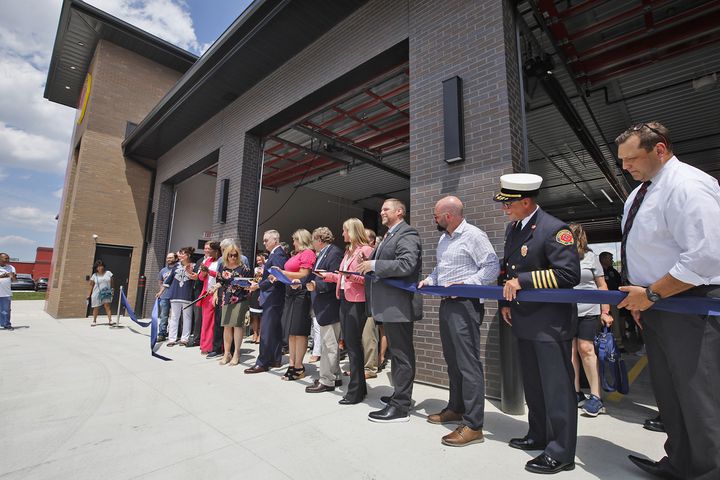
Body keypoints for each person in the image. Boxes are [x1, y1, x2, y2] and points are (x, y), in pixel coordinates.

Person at [614, 122, 720, 480]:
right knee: (670, 393)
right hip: (656, 305)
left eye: (632, 158)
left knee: (699, 394)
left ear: (660, 149)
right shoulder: (640, 192)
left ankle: (709, 470)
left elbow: (705, 256)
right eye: (622, 160)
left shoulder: (688, 185)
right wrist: (644, 300)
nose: (625, 166)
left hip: (687, 302)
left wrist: (653, 293)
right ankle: (681, 462)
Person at [496, 173, 580, 474]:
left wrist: (523, 281)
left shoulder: (555, 230)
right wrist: (505, 301)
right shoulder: (514, 229)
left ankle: (561, 451)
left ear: (526, 201)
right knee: (533, 385)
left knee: (557, 389)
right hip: (524, 319)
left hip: (550, 323)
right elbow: (507, 269)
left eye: (509, 205)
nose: (505, 209)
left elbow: (568, 275)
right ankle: (539, 434)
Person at [418, 196, 499, 446]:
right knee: (452, 361)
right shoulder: (444, 239)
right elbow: (441, 270)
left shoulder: (474, 235)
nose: (434, 219)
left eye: (436, 215)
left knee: (468, 364)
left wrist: (465, 286)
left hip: (466, 305)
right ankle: (456, 408)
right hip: (447, 304)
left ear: (448, 216)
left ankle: (474, 426)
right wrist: (430, 280)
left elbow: (492, 267)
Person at [357, 198, 423, 423]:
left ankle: (401, 407)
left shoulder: (407, 233)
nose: (381, 212)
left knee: (402, 355)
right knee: (397, 354)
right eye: (382, 209)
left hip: (399, 306)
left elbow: (406, 264)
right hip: (390, 306)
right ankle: (399, 395)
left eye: (386, 209)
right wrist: (369, 262)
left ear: (400, 212)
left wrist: (374, 265)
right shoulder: (390, 235)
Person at [320, 219, 374, 404]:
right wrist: (327, 276)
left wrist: (349, 275)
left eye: (344, 230)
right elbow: (342, 278)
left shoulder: (366, 251)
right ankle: (360, 387)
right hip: (344, 299)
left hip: (356, 302)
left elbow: (369, 279)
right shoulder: (348, 252)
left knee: (353, 345)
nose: (342, 233)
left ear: (351, 231)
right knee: (351, 344)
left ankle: (356, 391)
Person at [568, 223, 613, 417]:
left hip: (589, 311)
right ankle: (575, 392)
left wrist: (605, 311)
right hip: (566, 311)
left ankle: (596, 397)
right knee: (570, 352)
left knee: (586, 349)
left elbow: (602, 285)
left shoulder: (591, 257)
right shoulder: (560, 258)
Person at [270, 229, 316, 381]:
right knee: (290, 330)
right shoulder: (296, 255)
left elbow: (304, 274)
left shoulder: (308, 253)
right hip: (290, 293)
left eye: (295, 240)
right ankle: (291, 364)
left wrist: (282, 272)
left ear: (301, 239)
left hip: (301, 294)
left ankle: (299, 366)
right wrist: (279, 275)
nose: (293, 243)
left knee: (299, 331)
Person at [305, 227, 344, 394]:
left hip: (330, 304)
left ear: (319, 239)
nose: (312, 244)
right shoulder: (323, 253)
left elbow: (335, 278)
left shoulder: (334, 253)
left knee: (329, 344)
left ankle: (326, 380)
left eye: (314, 240)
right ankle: (335, 375)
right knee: (329, 342)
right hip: (324, 304)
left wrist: (316, 285)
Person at [245, 230, 288, 373]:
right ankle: (275, 359)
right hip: (271, 295)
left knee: (267, 331)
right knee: (273, 330)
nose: (264, 243)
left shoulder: (278, 254)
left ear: (275, 240)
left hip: (274, 296)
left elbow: (275, 277)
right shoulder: (276, 254)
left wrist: (258, 286)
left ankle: (263, 362)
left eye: (266, 240)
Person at [215, 243, 252, 366]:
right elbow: (220, 281)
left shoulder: (244, 268)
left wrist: (245, 285)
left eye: (235, 255)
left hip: (240, 298)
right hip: (227, 297)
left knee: (237, 326)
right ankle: (226, 353)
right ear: (226, 255)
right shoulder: (223, 267)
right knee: (226, 326)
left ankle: (236, 353)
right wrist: (215, 287)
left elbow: (250, 284)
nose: (233, 257)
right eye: (230, 255)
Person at [158, 247, 195, 346]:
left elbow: (196, 280)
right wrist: (161, 292)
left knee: (187, 317)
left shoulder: (194, 266)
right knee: (174, 317)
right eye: (180, 254)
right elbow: (168, 280)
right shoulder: (176, 266)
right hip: (175, 295)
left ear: (188, 255)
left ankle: (184, 339)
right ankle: (172, 339)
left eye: (182, 254)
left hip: (188, 295)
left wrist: (190, 272)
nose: (180, 256)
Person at [197, 241, 222, 355]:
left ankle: (215, 346)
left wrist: (209, 272)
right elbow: (202, 279)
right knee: (206, 322)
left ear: (216, 250)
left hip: (217, 292)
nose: (207, 250)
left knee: (215, 322)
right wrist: (202, 272)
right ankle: (205, 346)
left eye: (209, 249)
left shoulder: (222, 261)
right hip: (207, 293)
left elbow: (221, 276)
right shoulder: (207, 260)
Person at [599, 251, 625, 350]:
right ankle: (601, 345)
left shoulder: (612, 271)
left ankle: (618, 344)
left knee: (615, 322)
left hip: (613, 301)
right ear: (603, 259)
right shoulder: (598, 270)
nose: (612, 261)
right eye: (610, 258)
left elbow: (619, 283)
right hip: (600, 302)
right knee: (599, 323)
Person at [155, 253, 177, 341]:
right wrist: (161, 292)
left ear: (175, 258)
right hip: (165, 296)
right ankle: (162, 333)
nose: (169, 259)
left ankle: (174, 333)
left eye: (171, 257)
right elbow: (160, 282)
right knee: (164, 316)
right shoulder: (163, 270)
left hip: (175, 296)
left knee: (175, 316)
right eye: (168, 258)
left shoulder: (178, 269)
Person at [87, 260, 114, 326]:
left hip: (106, 291)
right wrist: (88, 295)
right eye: (98, 266)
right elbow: (91, 285)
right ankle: (94, 321)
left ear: (103, 266)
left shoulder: (108, 273)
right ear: (96, 268)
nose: (100, 268)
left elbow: (112, 283)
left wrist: (112, 290)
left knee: (107, 306)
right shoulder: (94, 275)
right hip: (96, 292)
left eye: (101, 266)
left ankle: (110, 320)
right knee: (96, 307)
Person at [247, 251, 267, 344]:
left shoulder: (267, 269)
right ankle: (255, 333)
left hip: (262, 291)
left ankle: (261, 335)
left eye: (260, 259)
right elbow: (254, 279)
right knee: (254, 315)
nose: (259, 261)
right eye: (257, 260)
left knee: (262, 316)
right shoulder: (255, 269)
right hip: (255, 291)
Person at [0, 253, 17, 331]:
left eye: (8, 258)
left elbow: (15, 281)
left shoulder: (11, 267)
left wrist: (13, 276)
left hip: (6, 293)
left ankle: (6, 324)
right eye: (5, 258)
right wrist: (3, 276)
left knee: (6, 310)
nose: (7, 260)